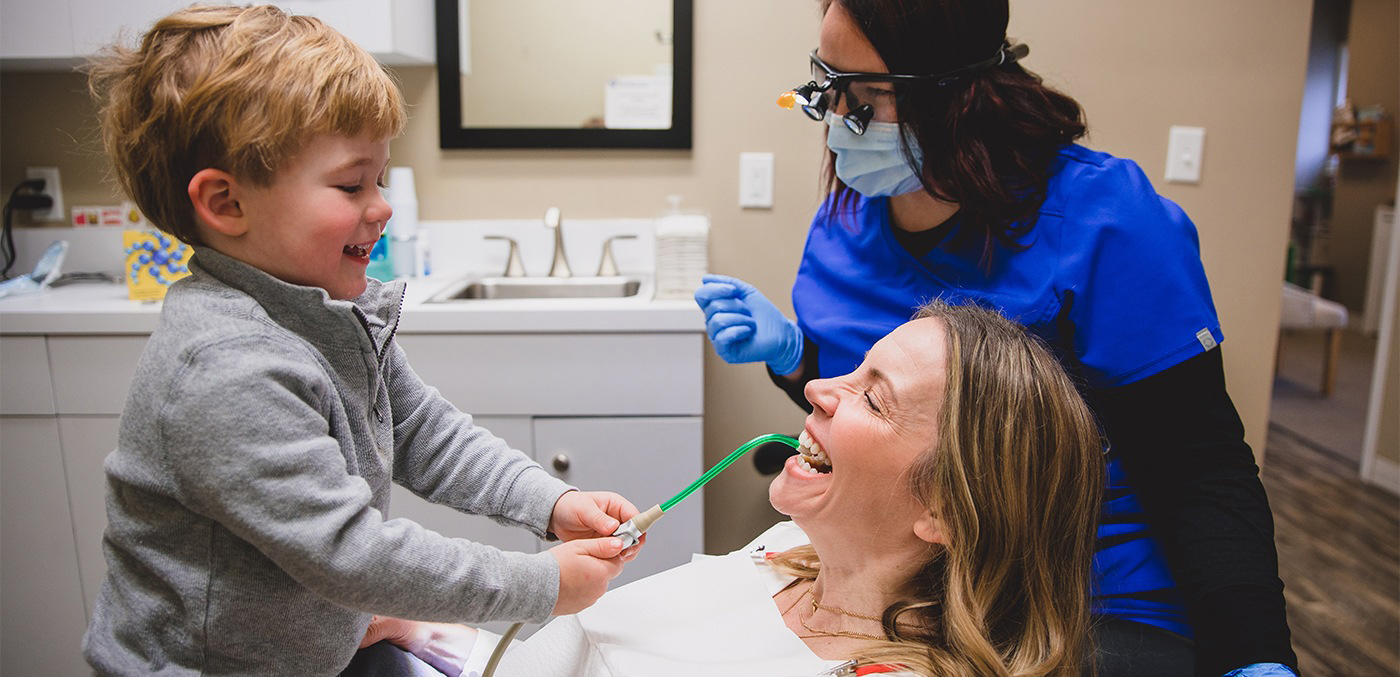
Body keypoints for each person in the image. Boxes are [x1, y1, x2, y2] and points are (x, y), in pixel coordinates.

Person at [693, 1, 1297, 676]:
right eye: (829, 86)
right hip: (915, 585)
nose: (839, 118)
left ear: (959, 92)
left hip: (1084, 596)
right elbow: (876, 406)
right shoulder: (847, 216)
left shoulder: (1103, 222)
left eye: (866, 97)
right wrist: (793, 356)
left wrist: (1254, 652)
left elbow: (1200, 464)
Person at [82, 6, 640, 675]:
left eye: (379, 177)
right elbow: (354, 553)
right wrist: (538, 584)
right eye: (351, 184)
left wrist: (548, 500)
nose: (382, 205)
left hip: (313, 646)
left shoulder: (323, 312)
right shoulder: (224, 368)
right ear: (226, 203)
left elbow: (424, 430)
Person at [361, 302, 1106, 676]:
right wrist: (415, 624)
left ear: (944, 506)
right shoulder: (789, 551)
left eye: (873, 399)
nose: (816, 388)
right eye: (852, 368)